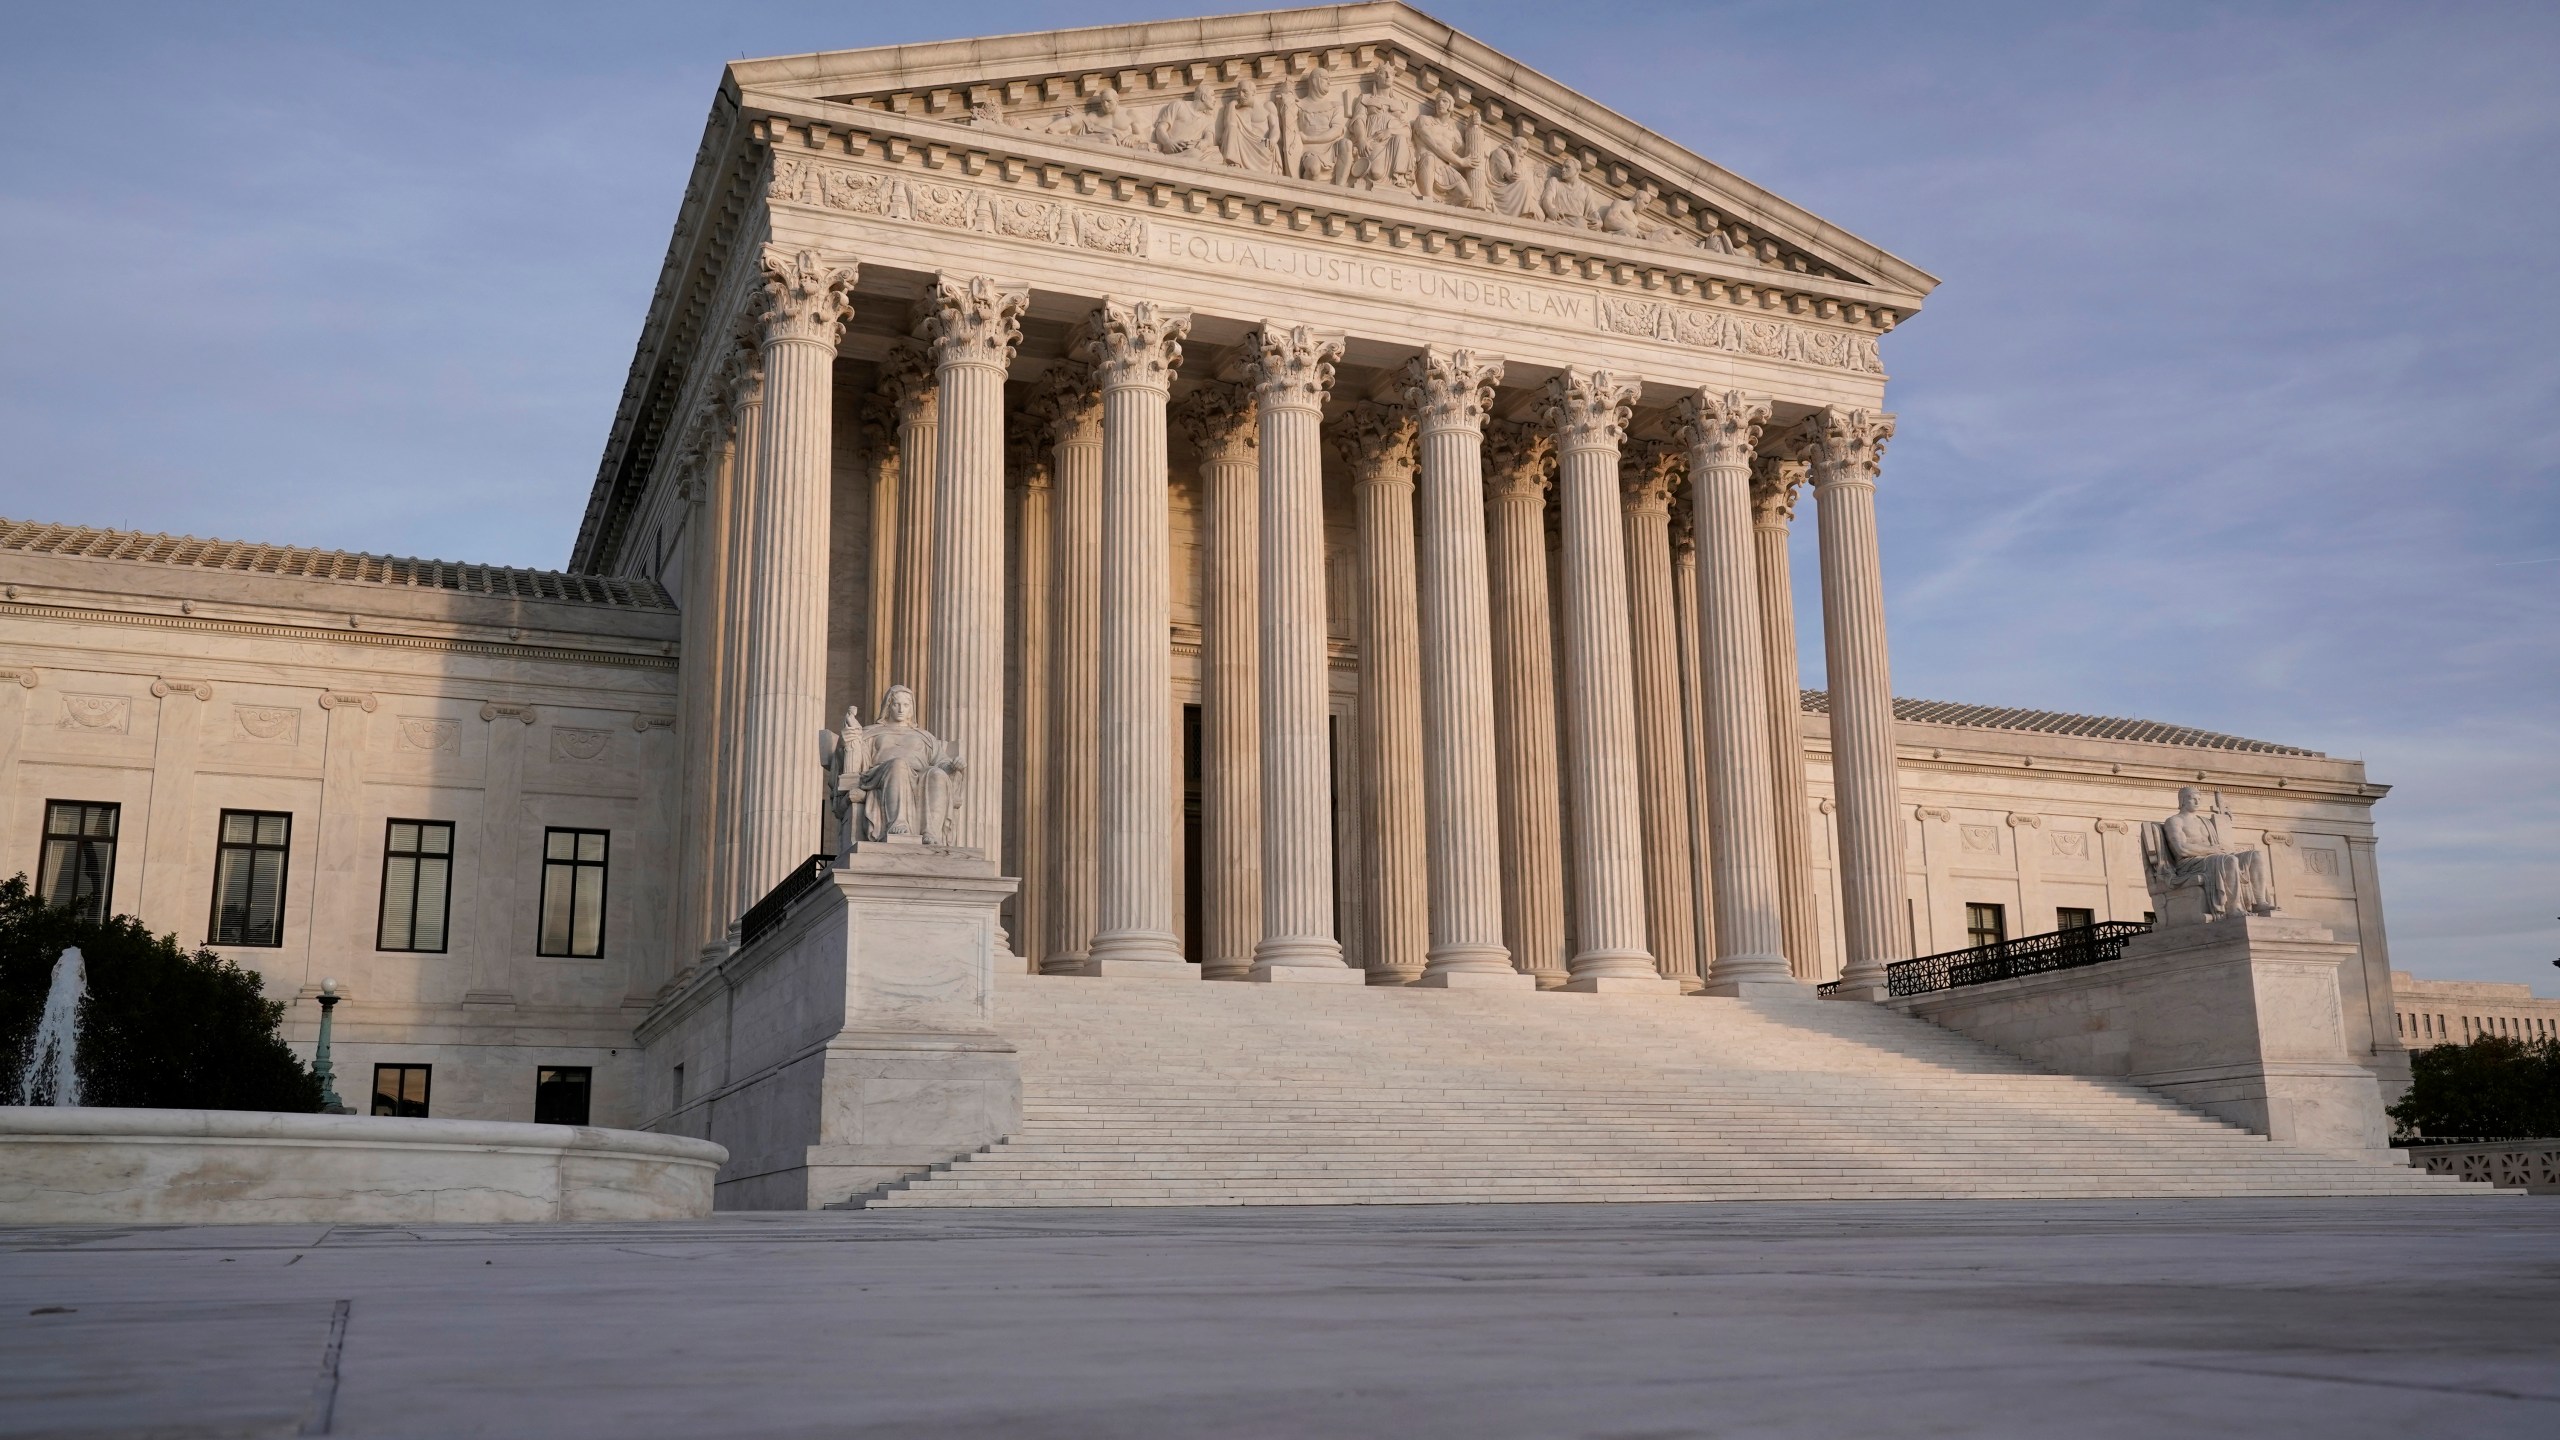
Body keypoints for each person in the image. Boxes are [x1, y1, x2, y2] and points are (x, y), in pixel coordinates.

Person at [839, 684, 966, 846]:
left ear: (911, 708)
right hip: (882, 775)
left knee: (937, 774)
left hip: (920, 776)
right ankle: (898, 822)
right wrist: (847, 741)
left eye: (906, 705)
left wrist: (954, 766)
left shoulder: (925, 737)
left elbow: (941, 761)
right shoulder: (871, 732)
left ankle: (930, 832)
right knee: (899, 765)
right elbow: (853, 753)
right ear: (888, 706)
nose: (901, 709)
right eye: (896, 704)